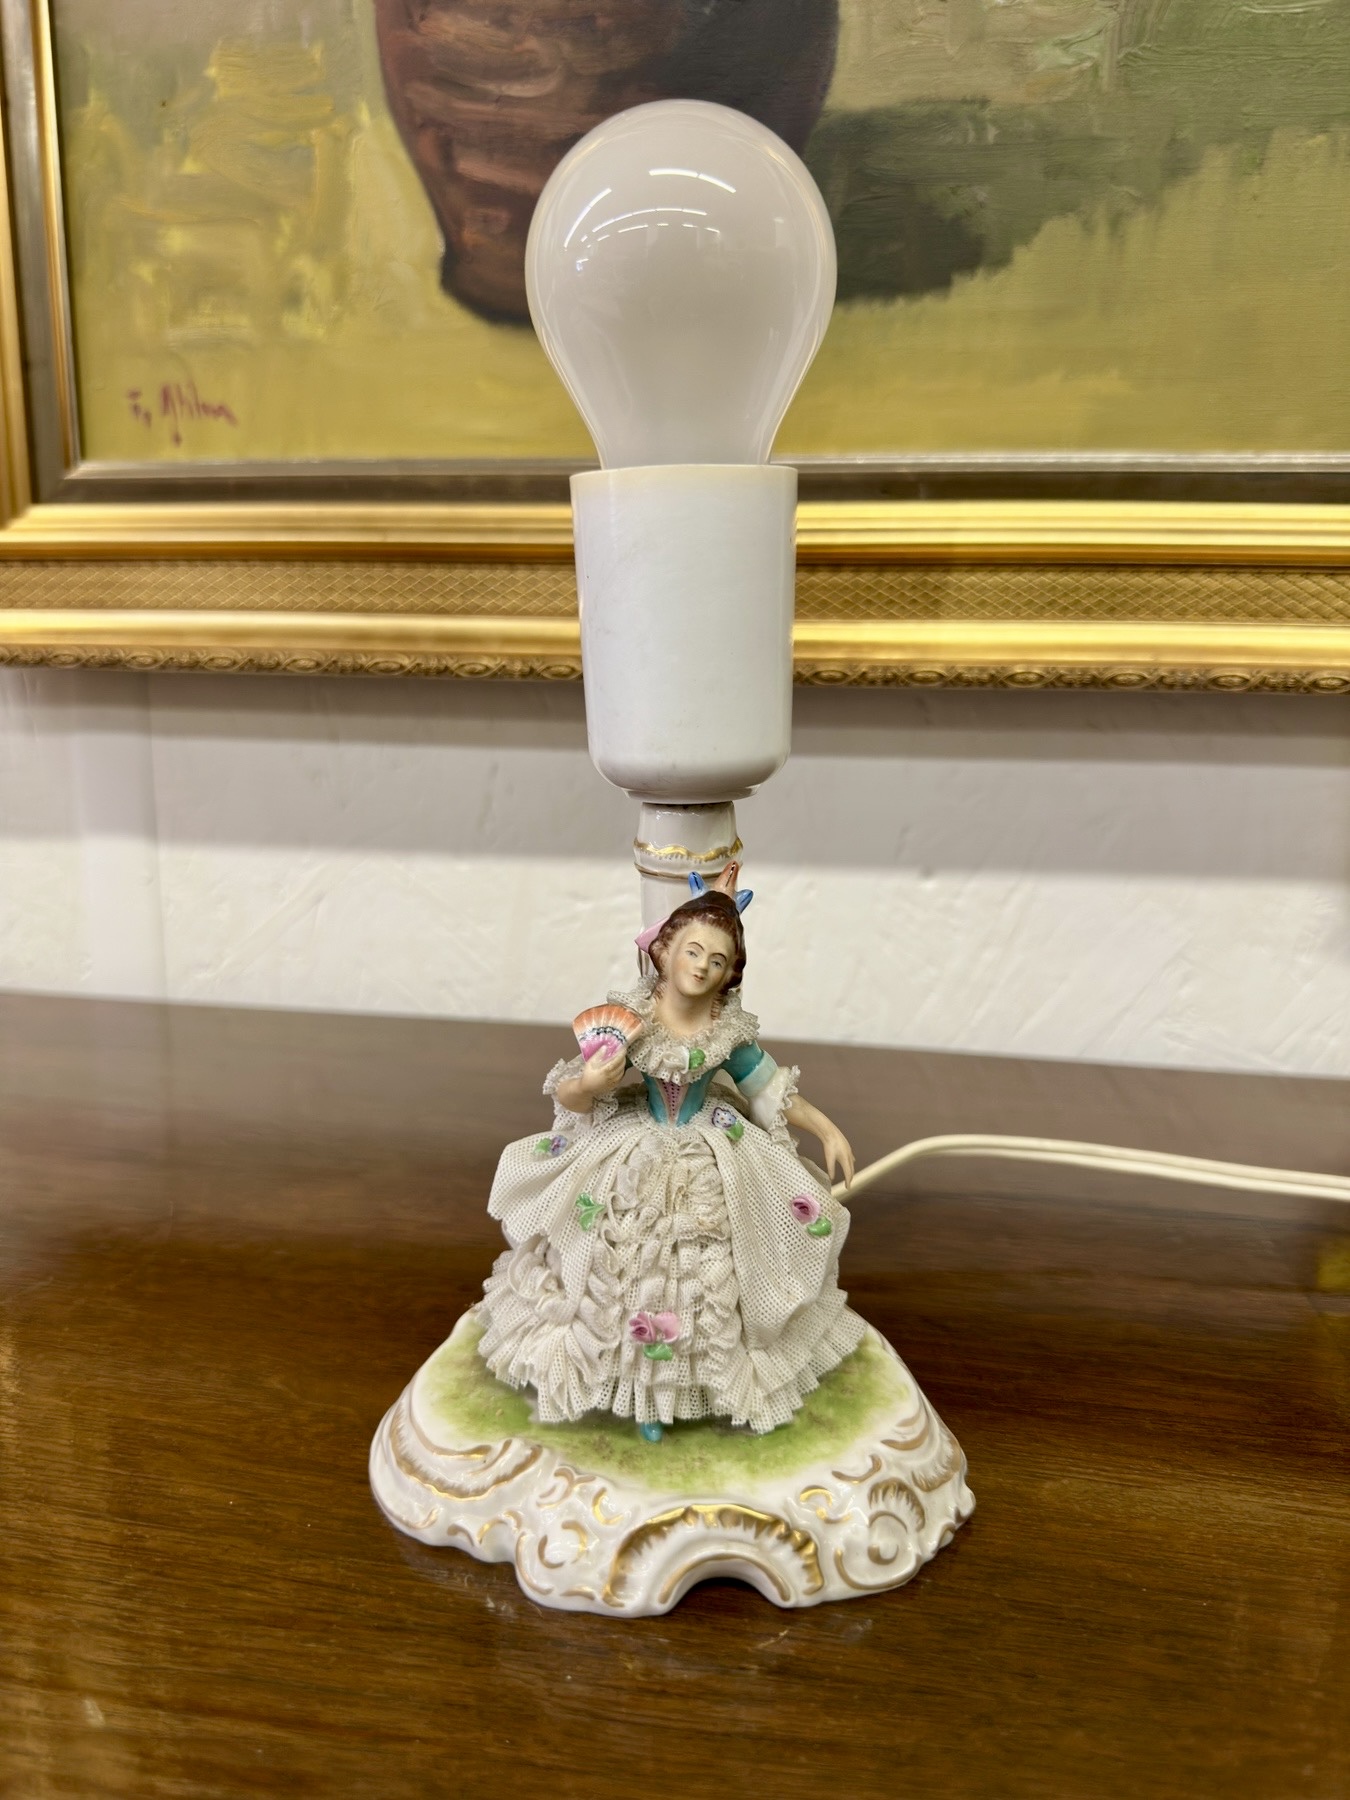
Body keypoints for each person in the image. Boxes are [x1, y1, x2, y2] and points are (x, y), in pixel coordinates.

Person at [476, 883, 866, 1439]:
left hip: (710, 1143)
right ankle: (638, 1390)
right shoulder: (636, 1019)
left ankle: (695, 1385)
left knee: (714, 1263)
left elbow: (769, 1087)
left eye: (718, 960)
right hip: (637, 1143)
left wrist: (826, 1128)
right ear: (664, 950)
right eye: (693, 951)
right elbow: (571, 1093)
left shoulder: (727, 1031)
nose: (702, 967)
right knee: (621, 1254)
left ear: (730, 974)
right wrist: (590, 1083)